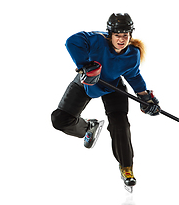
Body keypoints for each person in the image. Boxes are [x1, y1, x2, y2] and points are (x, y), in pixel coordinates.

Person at [51, 13, 160, 189]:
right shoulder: (96, 40)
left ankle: (126, 168)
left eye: (125, 35)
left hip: (112, 86)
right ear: (110, 34)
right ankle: (88, 128)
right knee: (60, 120)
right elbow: (72, 41)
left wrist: (145, 98)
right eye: (118, 35)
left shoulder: (132, 54)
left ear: (130, 35)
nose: (121, 39)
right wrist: (84, 66)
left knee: (120, 124)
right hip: (87, 82)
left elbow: (133, 75)